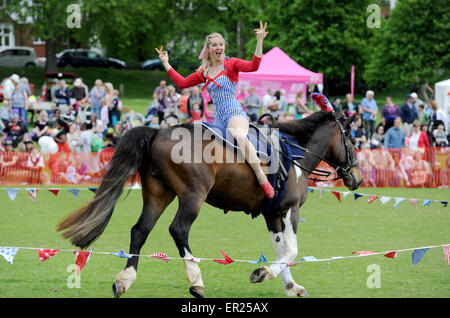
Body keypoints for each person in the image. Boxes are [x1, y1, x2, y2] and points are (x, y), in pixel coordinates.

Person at [156, 21, 274, 198]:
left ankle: (262, 178)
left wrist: (259, 41)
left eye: (221, 44)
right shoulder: (204, 71)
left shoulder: (231, 64)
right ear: (209, 49)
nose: (218, 47)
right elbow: (181, 83)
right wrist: (166, 62)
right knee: (201, 144)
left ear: (224, 47)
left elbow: (253, 66)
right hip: (217, 118)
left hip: (234, 113)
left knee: (240, 136)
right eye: (214, 45)